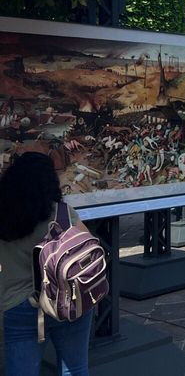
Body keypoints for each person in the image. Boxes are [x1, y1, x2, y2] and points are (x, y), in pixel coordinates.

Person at [0, 152, 94, 376]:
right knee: (75, 368)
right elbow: (89, 247)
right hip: (67, 298)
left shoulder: (2, 215)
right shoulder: (62, 213)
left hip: (19, 303)